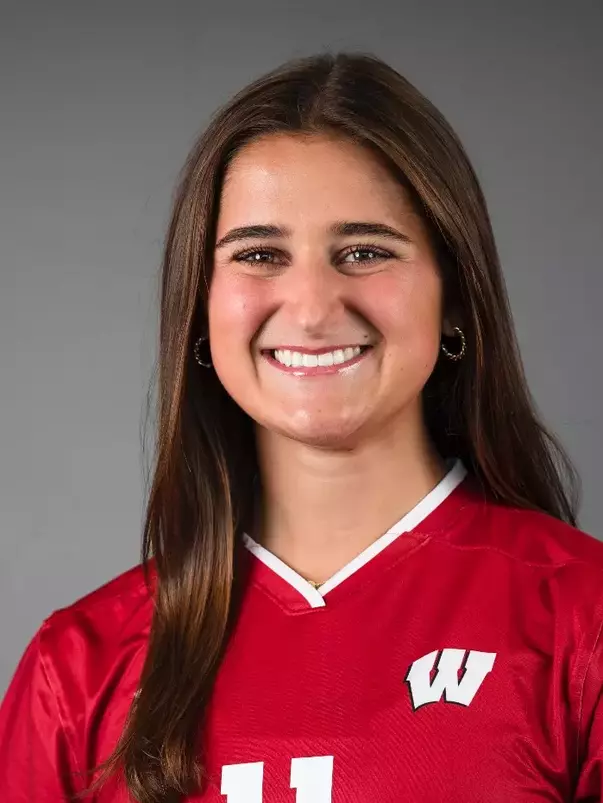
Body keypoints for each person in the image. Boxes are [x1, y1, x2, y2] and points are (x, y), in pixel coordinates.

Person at [0, 50, 601, 803]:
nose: (313, 308)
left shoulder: (582, 620)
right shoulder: (80, 667)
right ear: (201, 305)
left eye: (363, 252)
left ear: (453, 296)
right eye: (259, 254)